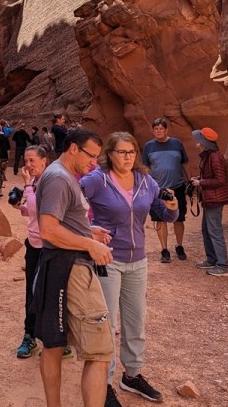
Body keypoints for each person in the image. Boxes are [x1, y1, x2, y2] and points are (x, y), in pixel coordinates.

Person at [81, 132, 178, 404]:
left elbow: (162, 212)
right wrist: (88, 230)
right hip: (108, 260)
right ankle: (104, 384)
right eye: (121, 152)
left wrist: (172, 207)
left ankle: (132, 375)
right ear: (110, 154)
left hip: (138, 261)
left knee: (136, 321)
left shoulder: (146, 181)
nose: (127, 157)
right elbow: (70, 206)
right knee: (108, 325)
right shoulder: (97, 180)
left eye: (131, 152)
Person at [31, 128, 115, 407]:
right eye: (91, 156)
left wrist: (89, 231)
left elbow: (61, 223)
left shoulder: (60, 175)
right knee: (100, 352)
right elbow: (48, 230)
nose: (94, 163)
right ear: (74, 148)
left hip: (57, 267)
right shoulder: (59, 178)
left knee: (53, 345)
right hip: (72, 269)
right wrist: (90, 245)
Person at [13, 144, 50, 359]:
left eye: (32, 160)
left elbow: (40, 209)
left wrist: (27, 186)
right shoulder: (35, 182)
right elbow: (32, 212)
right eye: (25, 161)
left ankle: (55, 341)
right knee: (31, 292)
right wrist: (19, 206)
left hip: (50, 246)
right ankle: (30, 335)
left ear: (44, 161)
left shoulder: (50, 182)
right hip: (34, 244)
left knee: (50, 293)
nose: (28, 165)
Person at [141, 118, 189, 263]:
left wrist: (188, 182)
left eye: (161, 129)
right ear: (153, 131)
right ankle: (164, 250)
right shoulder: (149, 146)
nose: (158, 131)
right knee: (160, 219)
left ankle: (179, 246)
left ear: (166, 130)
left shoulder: (177, 144)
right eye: (156, 129)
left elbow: (184, 163)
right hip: (157, 189)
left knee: (179, 218)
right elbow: (145, 167)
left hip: (177, 187)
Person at [190, 127, 228, 277]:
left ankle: (223, 266)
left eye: (198, 141)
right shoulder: (209, 156)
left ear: (204, 143)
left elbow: (220, 180)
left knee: (215, 231)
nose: (196, 143)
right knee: (206, 229)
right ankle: (212, 259)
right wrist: (199, 178)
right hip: (210, 199)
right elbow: (213, 176)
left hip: (215, 199)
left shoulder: (215, 157)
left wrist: (201, 183)